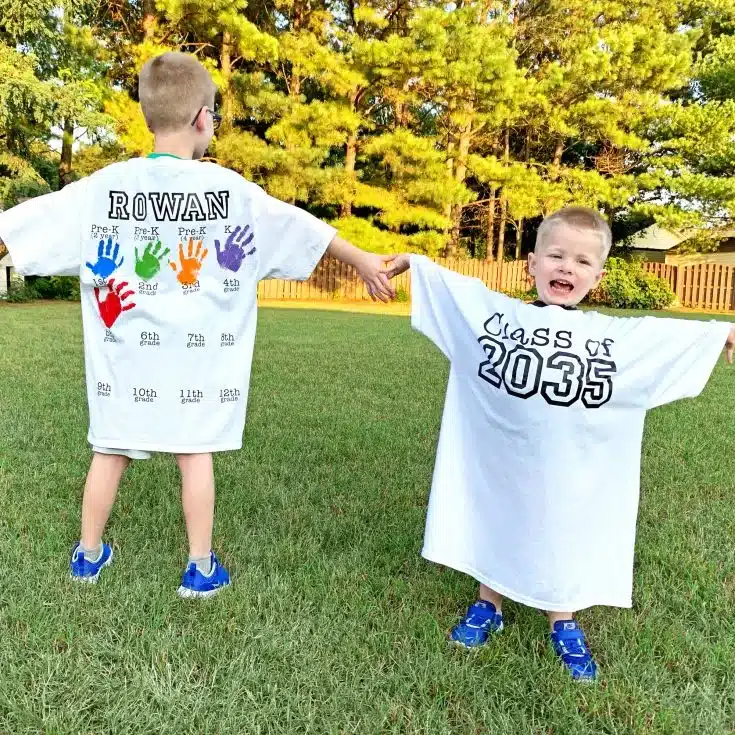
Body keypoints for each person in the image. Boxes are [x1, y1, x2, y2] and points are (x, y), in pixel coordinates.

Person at [0, 52, 396, 598]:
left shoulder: (104, 187)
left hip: (124, 361)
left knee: (110, 449)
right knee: (194, 453)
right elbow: (300, 227)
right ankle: (200, 566)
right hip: (197, 364)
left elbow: (23, 225)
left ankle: (88, 556)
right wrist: (363, 261)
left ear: (147, 117)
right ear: (203, 119)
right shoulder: (230, 191)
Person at [385, 206, 735, 681]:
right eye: (556, 256)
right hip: (503, 459)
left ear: (598, 274)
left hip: (570, 473)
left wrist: (720, 337)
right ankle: (490, 604)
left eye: (582, 261)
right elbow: (457, 292)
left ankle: (563, 618)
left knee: (564, 531)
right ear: (532, 263)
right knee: (498, 517)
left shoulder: (607, 338)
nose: (567, 267)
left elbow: (659, 338)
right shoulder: (498, 318)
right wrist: (415, 263)